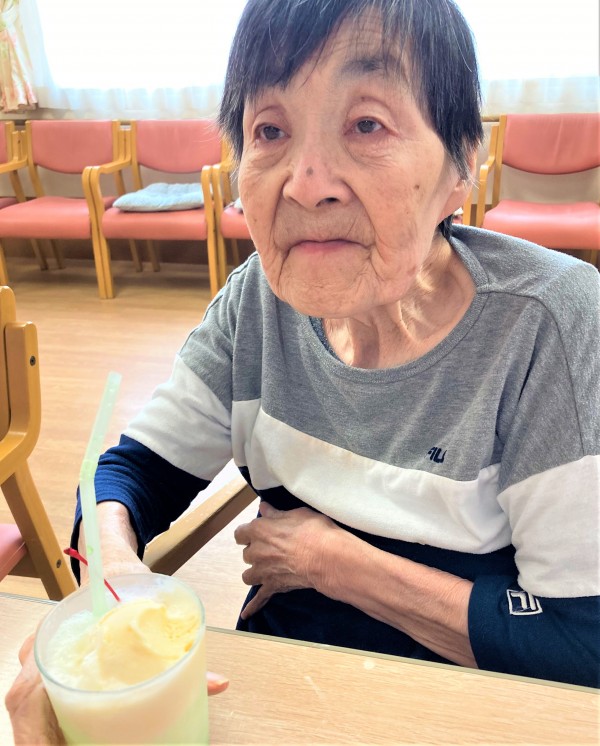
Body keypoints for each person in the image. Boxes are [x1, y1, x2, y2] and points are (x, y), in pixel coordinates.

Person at [7, 0, 600, 739]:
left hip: (463, 702)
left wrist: (332, 562)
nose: (306, 183)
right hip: (276, 678)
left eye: (367, 124)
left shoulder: (550, 326)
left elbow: (581, 645)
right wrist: (113, 574)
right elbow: (130, 474)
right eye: (270, 131)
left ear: (460, 168)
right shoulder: (255, 300)